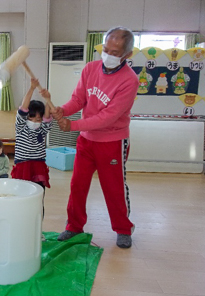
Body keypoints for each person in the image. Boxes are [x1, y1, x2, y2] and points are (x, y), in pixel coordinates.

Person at [51, 26, 139, 248]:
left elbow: (107, 118)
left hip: (113, 142)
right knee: (77, 184)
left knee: (114, 188)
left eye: (115, 52)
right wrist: (63, 110)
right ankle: (74, 226)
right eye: (106, 49)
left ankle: (123, 228)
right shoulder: (90, 69)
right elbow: (78, 100)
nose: (108, 55)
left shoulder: (130, 80)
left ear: (127, 55)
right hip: (86, 141)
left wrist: (72, 125)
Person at [11, 78, 53, 224]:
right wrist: (31, 88)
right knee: (21, 198)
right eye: (32, 117)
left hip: (38, 167)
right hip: (23, 166)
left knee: (38, 199)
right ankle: (21, 224)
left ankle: (36, 227)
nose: (35, 121)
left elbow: (47, 117)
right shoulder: (21, 127)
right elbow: (23, 108)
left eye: (38, 119)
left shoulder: (43, 128)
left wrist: (48, 99)